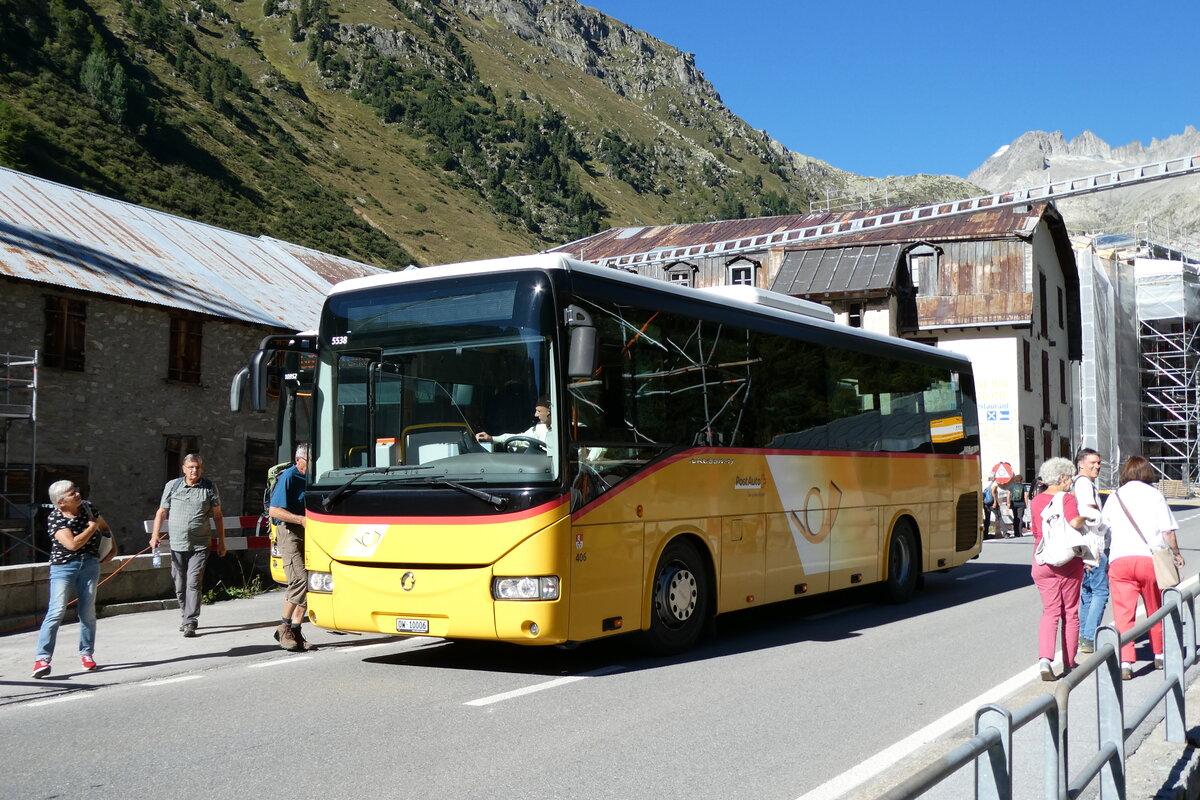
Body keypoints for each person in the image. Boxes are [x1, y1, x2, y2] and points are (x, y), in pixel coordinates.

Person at [1100, 455, 1184, 680]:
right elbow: (1167, 531)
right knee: (1155, 608)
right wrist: (1176, 554)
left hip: (1120, 560)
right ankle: (1159, 654)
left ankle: (1126, 661)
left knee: (1123, 612)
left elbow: (1103, 528)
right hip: (1149, 559)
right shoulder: (1155, 495)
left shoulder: (1115, 497)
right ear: (1147, 472)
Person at [32, 481, 116, 678]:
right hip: (64, 567)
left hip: (90, 564)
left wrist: (113, 547)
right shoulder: (55, 518)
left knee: (87, 611)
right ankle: (42, 659)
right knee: (56, 611)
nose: (77, 494)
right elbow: (72, 544)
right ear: (61, 503)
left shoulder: (88, 507)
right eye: (72, 494)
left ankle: (87, 654)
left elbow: (104, 526)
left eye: (76, 490)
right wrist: (91, 527)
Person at [149, 453, 227, 637]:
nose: (194, 470)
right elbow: (161, 512)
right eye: (191, 467)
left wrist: (222, 542)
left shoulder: (209, 487)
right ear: (183, 469)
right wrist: (155, 535)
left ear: (202, 469)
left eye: (197, 467)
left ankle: (191, 621)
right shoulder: (173, 486)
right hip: (177, 545)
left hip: (200, 545)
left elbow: (217, 515)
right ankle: (185, 616)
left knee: (193, 582)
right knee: (179, 584)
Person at [1029, 457, 1086, 681]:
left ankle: (1045, 660)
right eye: (1070, 476)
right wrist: (1087, 520)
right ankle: (1070, 662)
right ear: (1062, 477)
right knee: (1070, 612)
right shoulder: (1067, 499)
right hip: (1067, 562)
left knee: (1050, 612)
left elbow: (1036, 532)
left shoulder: (1035, 501)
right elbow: (1074, 523)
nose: (1071, 481)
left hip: (1042, 560)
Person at [269, 443, 315, 651]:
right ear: (298, 460)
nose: (313, 464)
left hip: (309, 533)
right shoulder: (289, 477)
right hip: (289, 532)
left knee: (311, 582)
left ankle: (295, 630)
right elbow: (274, 511)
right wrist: (300, 520)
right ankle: (283, 626)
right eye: (309, 460)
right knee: (299, 579)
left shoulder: (313, 476)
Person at [1073, 448, 1107, 655]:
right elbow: (1088, 511)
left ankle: (1084, 636)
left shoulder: (1078, 483)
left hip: (1082, 546)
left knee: (1087, 592)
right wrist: (1103, 523)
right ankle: (1089, 636)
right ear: (1081, 464)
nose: (1097, 466)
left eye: (1099, 463)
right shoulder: (1084, 484)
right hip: (1092, 546)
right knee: (1100, 591)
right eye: (1093, 463)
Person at [476, 396, 554, 456]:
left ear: (549, 412)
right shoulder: (539, 428)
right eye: (536, 411)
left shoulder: (561, 430)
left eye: (539, 411)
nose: (535, 415)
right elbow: (520, 440)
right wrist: (491, 438)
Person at [981, 474, 997, 538]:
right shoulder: (992, 484)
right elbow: (993, 492)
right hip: (991, 502)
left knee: (986, 518)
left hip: (984, 502)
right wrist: (995, 502)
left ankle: (985, 533)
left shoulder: (983, 483)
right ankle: (987, 533)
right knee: (997, 516)